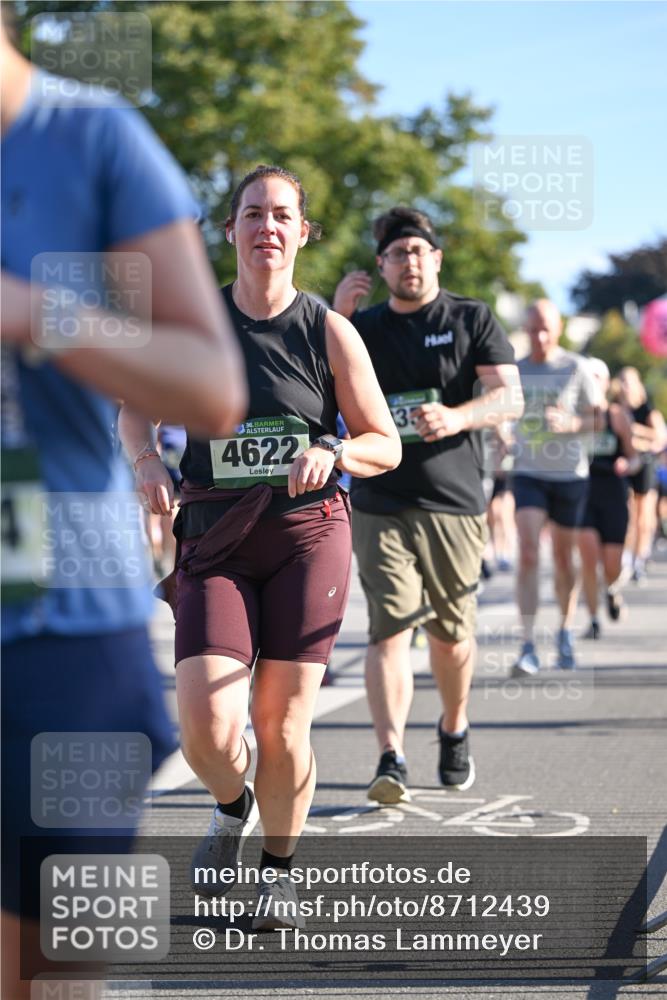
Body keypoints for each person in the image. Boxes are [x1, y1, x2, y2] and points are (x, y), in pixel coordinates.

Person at [1, 14, 246, 999]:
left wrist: (27, 312)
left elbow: (208, 385)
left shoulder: (90, 137)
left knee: (58, 975)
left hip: (62, 626)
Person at [119, 165, 400, 927]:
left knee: (280, 725)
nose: (266, 227)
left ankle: (279, 871)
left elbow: (384, 441)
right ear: (230, 229)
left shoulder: (328, 331)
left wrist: (337, 453)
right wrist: (146, 461)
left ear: (301, 232)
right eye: (251, 214)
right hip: (214, 537)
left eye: (281, 215)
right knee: (205, 727)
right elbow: (133, 413)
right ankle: (231, 804)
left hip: (309, 538)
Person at [333, 206, 523, 803]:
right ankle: (391, 757)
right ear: (382, 266)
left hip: (454, 499)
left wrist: (458, 416)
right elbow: (314, 378)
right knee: (388, 629)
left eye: (419, 252)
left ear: (435, 259)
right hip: (379, 496)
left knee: (449, 635)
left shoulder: (471, 317)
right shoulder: (361, 326)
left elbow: (509, 398)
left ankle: (453, 724)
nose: (409, 262)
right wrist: (337, 315)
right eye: (397, 254)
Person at [511, 300, 596, 676]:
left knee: (564, 559)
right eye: (533, 329)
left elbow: (598, 420)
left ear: (558, 328)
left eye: (545, 328)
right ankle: (527, 643)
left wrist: (571, 423)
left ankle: (564, 629)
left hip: (569, 474)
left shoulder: (576, 367)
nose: (539, 336)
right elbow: (501, 411)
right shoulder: (516, 370)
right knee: (529, 553)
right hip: (528, 471)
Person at [578, 359, 641, 638]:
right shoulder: (575, 417)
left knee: (612, 563)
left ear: (605, 383)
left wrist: (628, 466)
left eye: (597, 378)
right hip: (583, 492)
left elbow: (635, 457)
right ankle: (592, 619)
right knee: (589, 559)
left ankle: (612, 589)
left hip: (613, 493)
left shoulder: (618, 417)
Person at [616, 367, 666, 583]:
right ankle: (626, 559)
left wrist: (635, 431)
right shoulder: (616, 409)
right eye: (622, 382)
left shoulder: (647, 410)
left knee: (644, 516)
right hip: (625, 464)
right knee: (627, 513)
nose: (626, 386)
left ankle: (639, 559)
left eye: (630, 382)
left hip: (645, 465)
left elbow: (660, 437)